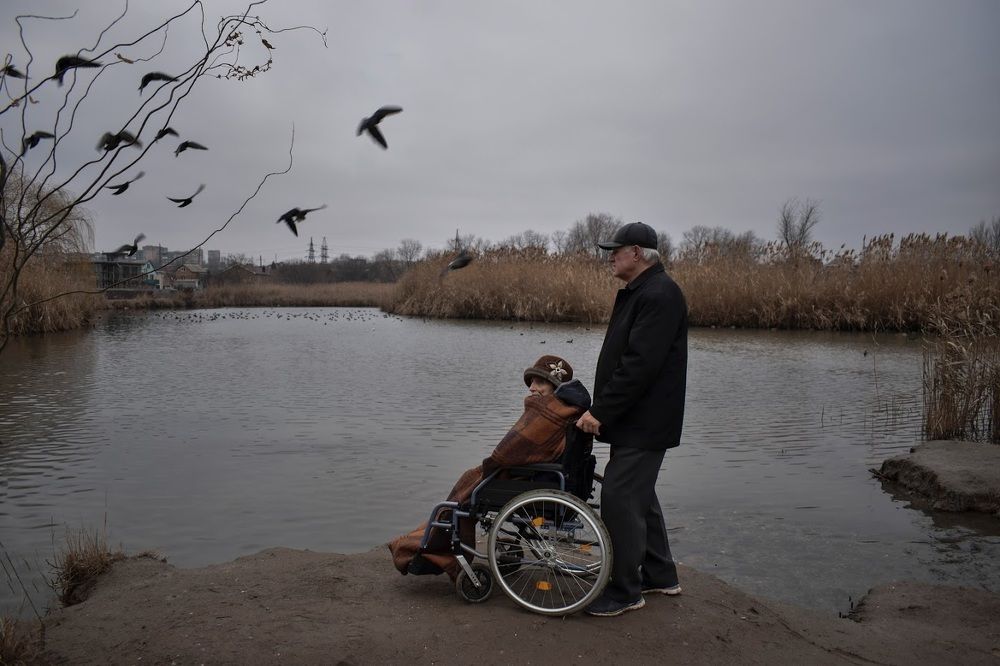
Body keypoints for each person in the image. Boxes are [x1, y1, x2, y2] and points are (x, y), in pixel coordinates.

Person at [388, 354, 591, 581]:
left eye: (540, 382)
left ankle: (430, 551)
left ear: (555, 386)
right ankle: (423, 544)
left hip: (526, 480)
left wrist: (488, 466)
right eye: (532, 382)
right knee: (465, 488)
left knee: (459, 502)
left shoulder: (547, 413)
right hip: (547, 476)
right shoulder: (570, 410)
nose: (532, 388)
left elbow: (505, 454)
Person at [575, 221, 688, 617]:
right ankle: (660, 574)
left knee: (620, 496)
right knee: (639, 495)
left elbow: (639, 366)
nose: (610, 257)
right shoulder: (643, 291)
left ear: (637, 253)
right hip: (639, 419)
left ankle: (625, 591)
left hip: (646, 420)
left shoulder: (659, 294)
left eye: (616, 250)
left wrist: (600, 411)